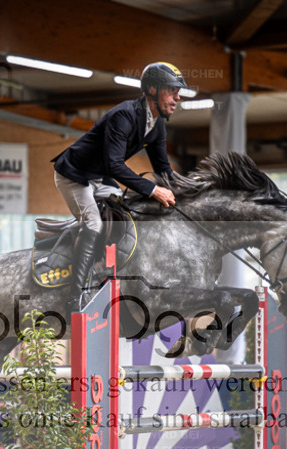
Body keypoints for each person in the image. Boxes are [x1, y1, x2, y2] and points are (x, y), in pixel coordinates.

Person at [52, 61, 186, 310]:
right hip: (74, 175)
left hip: (100, 176)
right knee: (93, 222)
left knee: (127, 215)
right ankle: (75, 297)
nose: (177, 97)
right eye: (172, 90)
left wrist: (187, 188)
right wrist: (153, 190)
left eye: (178, 92)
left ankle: (111, 273)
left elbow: (164, 171)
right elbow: (114, 165)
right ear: (153, 91)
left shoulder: (156, 125)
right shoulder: (123, 116)